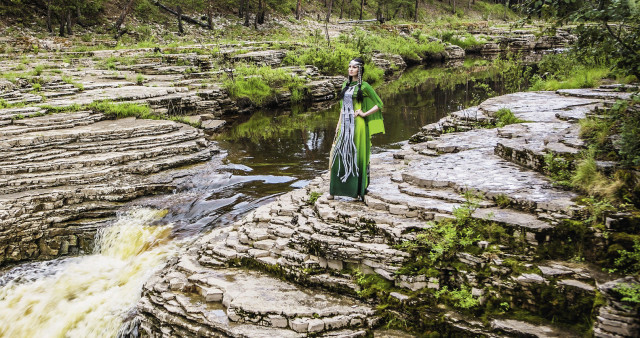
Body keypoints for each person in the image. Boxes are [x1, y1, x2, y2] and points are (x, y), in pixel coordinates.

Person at [328, 57, 384, 201]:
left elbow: (379, 103)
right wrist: (338, 125)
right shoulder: (344, 85)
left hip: (358, 126)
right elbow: (342, 108)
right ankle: (334, 191)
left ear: (360, 70)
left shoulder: (365, 86)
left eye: (354, 67)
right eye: (349, 66)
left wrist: (364, 113)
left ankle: (357, 191)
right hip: (345, 125)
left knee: (356, 156)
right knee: (339, 154)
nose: (351, 69)